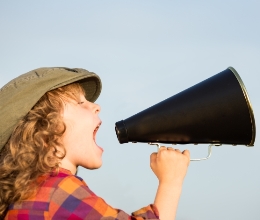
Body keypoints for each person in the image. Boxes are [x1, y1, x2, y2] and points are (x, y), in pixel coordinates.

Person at [0, 67, 190, 220]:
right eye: (80, 103)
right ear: (43, 129)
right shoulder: (57, 192)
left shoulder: (26, 195)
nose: (96, 106)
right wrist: (171, 181)